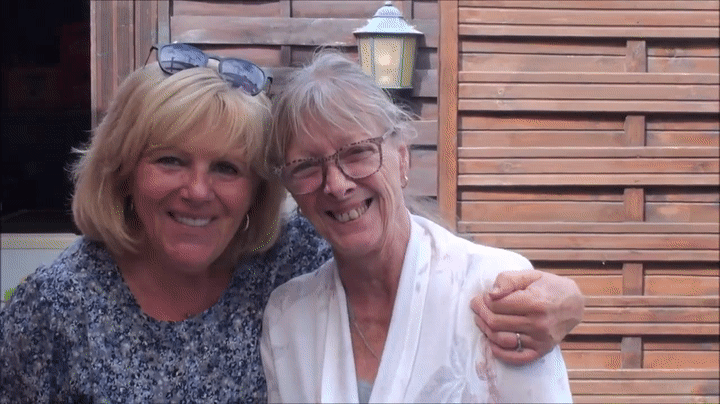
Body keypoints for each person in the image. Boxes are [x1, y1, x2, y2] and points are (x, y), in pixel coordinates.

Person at [0, 43, 581, 403]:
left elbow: (400, 245)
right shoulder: (54, 307)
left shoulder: (280, 259)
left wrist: (567, 299)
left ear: (257, 191)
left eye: (226, 168)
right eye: (170, 160)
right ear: (124, 170)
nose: (197, 191)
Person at [261, 50, 573, 403]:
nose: (336, 184)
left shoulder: (492, 290)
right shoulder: (287, 318)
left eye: (357, 152)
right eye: (306, 167)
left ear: (402, 158)